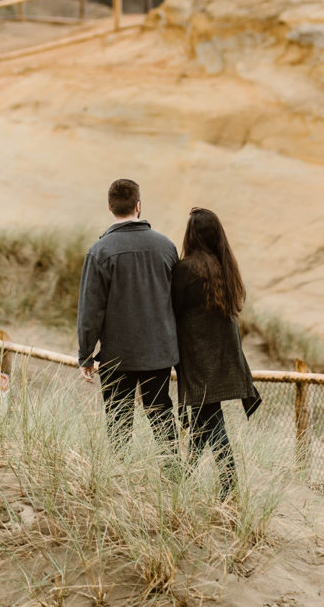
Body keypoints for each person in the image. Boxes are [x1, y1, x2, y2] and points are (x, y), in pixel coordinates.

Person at [77, 178, 179, 453]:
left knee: (118, 419)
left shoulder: (99, 252)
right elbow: (177, 301)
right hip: (158, 352)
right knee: (161, 414)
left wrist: (85, 354)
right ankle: (173, 472)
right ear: (138, 206)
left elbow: (90, 310)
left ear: (110, 207)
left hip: (117, 355)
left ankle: (120, 473)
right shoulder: (166, 247)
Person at [171, 207, 260, 499]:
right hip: (224, 355)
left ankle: (229, 482)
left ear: (191, 235)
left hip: (199, 357)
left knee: (210, 416)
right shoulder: (225, 267)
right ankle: (185, 477)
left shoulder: (186, 269)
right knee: (202, 415)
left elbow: (173, 309)